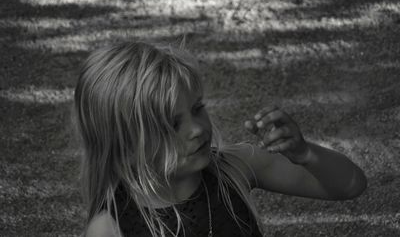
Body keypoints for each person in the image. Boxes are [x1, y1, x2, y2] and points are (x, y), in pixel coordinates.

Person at [72, 40, 367, 237]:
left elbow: (351, 185)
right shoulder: (110, 229)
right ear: (123, 145)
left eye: (197, 108)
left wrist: (306, 155)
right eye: (172, 125)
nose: (197, 129)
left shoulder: (234, 169)